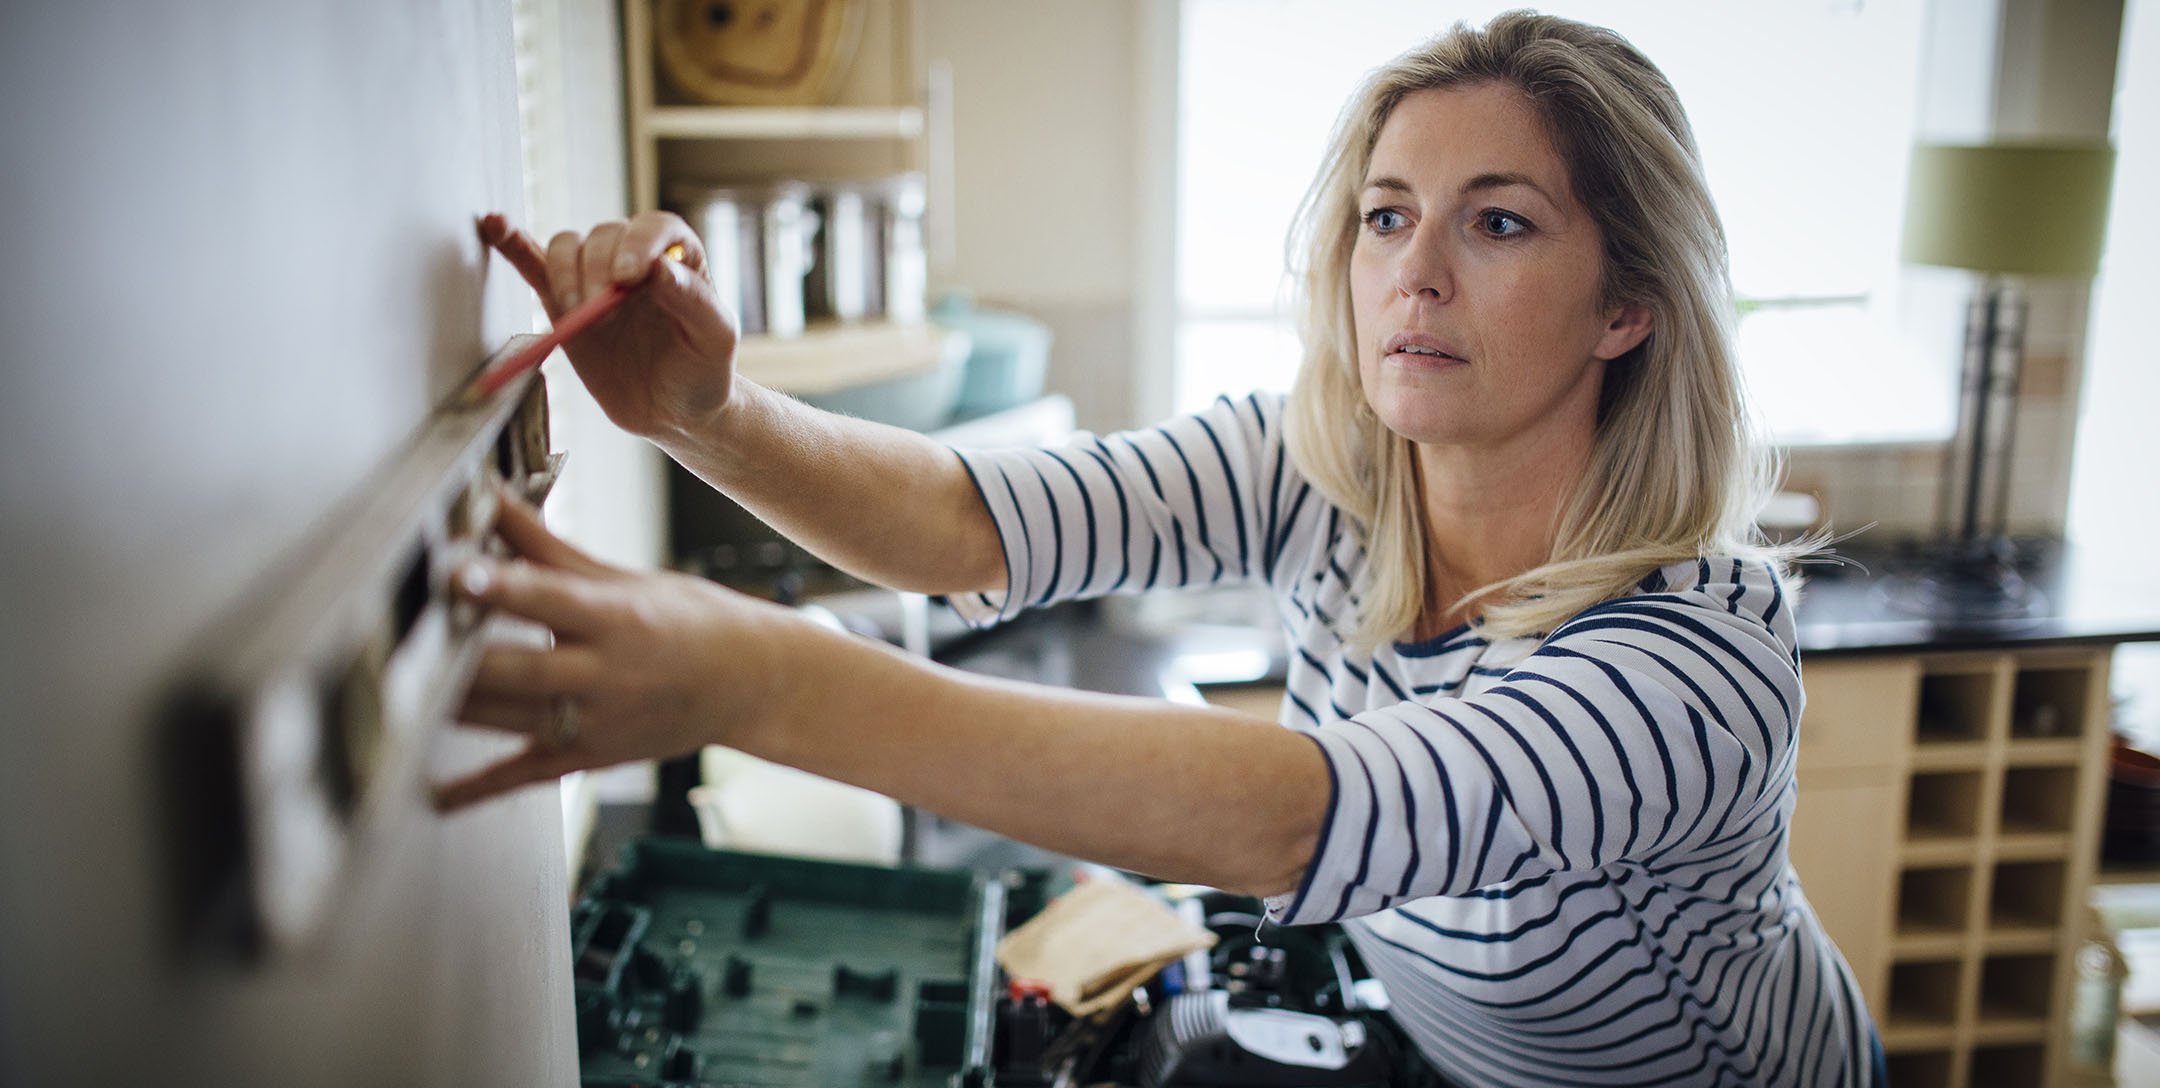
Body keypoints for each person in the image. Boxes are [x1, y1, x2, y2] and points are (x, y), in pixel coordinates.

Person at [440, 11, 1880, 1085]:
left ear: (1627, 305)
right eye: (1388, 216)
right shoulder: (1328, 463)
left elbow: (1305, 818)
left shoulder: (1696, 656)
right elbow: (966, 522)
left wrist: (765, 684)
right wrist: (710, 415)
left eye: (1498, 222)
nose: (1416, 270)